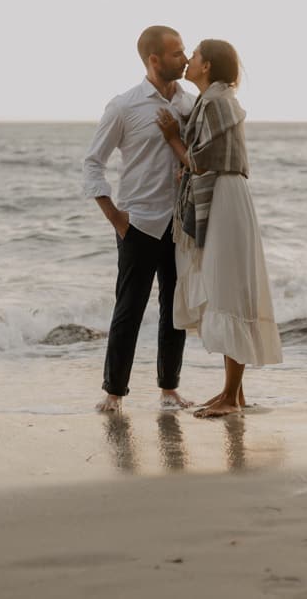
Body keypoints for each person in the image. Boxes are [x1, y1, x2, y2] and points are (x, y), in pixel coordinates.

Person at [155, 39, 282, 418]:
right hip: (228, 196)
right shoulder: (215, 101)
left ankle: (231, 396)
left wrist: (172, 138)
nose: (189, 60)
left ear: (207, 65)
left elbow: (198, 161)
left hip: (226, 198)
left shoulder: (214, 103)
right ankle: (233, 394)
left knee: (229, 291)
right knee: (229, 289)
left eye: (193, 55)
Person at [83, 25, 197, 413]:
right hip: (139, 223)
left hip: (178, 223)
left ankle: (170, 389)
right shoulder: (124, 106)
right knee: (129, 308)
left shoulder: (189, 103)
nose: (185, 58)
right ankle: (114, 393)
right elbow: (92, 164)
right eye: (177, 52)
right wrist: (115, 217)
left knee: (174, 309)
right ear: (153, 59)